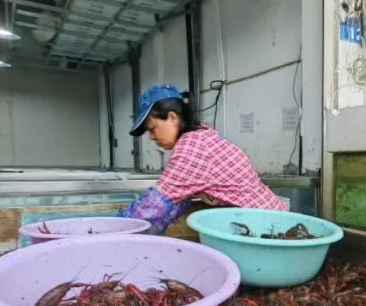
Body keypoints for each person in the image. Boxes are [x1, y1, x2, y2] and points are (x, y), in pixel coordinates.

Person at [119, 84, 288, 232]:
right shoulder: (201, 136)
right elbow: (175, 201)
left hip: (268, 229)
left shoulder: (193, 147)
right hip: (268, 220)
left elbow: (154, 205)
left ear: (172, 118)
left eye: (152, 128)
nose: (151, 137)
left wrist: (118, 228)